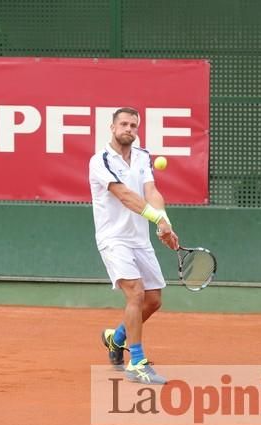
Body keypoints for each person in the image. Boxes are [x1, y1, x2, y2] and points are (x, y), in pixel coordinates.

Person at [88, 107, 179, 385]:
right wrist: (155, 218)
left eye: (133, 125)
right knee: (136, 293)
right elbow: (125, 195)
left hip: (139, 239)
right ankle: (136, 363)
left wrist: (165, 223)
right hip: (113, 239)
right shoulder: (99, 161)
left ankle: (116, 339)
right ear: (112, 127)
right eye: (124, 124)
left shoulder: (142, 156)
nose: (129, 129)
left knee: (153, 300)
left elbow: (151, 191)